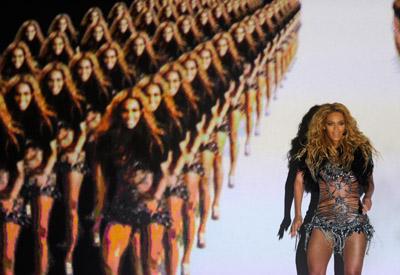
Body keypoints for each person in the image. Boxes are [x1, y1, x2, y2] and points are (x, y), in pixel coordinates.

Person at [290, 103, 375, 275]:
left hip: (355, 223)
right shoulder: (313, 151)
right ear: (323, 126)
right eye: (331, 124)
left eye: (341, 123)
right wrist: (297, 214)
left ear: (346, 125)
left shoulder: (360, 151)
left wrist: (368, 196)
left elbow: (369, 182)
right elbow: (298, 181)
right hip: (323, 223)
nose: (336, 129)